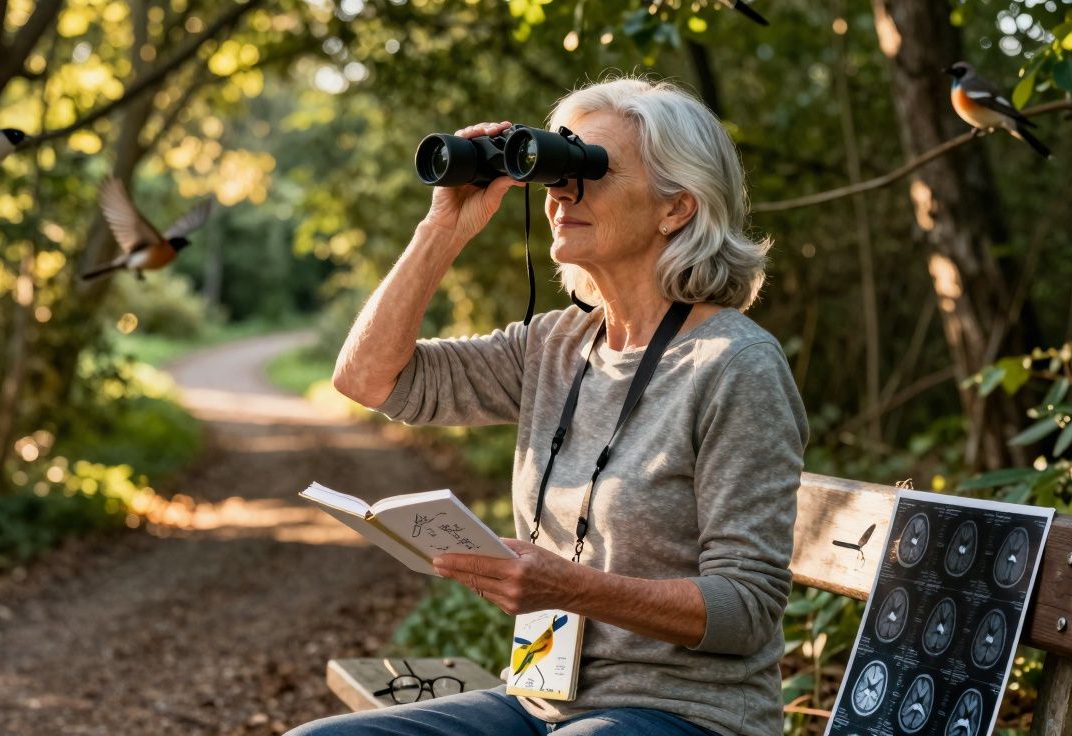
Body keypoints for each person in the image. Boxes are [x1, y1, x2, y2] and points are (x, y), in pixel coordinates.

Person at [291, 77, 808, 736]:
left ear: (676, 208)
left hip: (685, 716)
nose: (562, 190)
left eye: (589, 168)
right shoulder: (556, 346)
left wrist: (572, 588)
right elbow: (368, 379)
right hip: (539, 706)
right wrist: (442, 226)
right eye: (557, 166)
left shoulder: (734, 365)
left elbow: (747, 608)